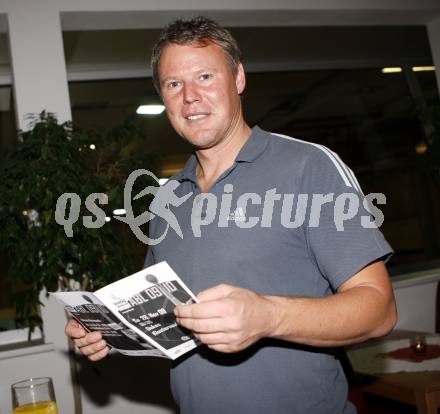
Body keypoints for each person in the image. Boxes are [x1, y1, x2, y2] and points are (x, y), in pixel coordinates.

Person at [65, 16, 397, 414]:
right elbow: (169, 324)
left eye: (205, 76)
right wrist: (108, 332)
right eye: (174, 84)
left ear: (238, 78)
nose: (189, 96)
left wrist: (268, 317)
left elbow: (379, 310)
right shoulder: (166, 199)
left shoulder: (308, 166)